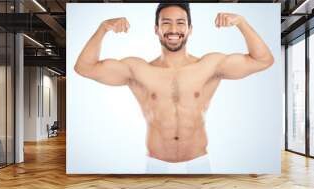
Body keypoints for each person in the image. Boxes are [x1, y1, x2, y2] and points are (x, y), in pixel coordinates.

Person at [74, 3, 274, 173]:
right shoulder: (138, 69)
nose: (173, 29)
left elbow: (263, 60)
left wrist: (241, 22)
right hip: (156, 163)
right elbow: (84, 67)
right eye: (166, 23)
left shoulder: (209, 66)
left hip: (198, 162)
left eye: (180, 23)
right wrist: (103, 28)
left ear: (190, 29)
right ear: (156, 29)